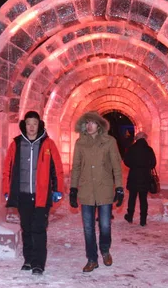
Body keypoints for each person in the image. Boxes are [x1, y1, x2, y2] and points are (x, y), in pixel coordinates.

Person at [2, 111, 64, 275]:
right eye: (28, 123)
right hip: (22, 195)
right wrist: (7, 190)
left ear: (39, 125)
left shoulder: (48, 144)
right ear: (24, 125)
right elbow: (7, 169)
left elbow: (57, 169)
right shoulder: (16, 144)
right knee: (26, 228)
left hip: (41, 196)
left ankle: (38, 263)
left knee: (39, 229)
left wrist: (58, 190)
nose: (31, 127)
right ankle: (28, 260)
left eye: (34, 123)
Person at [69, 111, 124, 273]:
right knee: (88, 228)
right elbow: (76, 167)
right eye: (87, 123)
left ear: (99, 125)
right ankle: (92, 259)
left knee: (105, 225)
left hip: (104, 189)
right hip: (86, 190)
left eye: (92, 122)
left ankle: (105, 250)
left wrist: (119, 188)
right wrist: (73, 189)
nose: (89, 125)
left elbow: (116, 167)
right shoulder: (80, 143)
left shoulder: (109, 142)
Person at [123, 132, 157, 227]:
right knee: (143, 199)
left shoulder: (131, 148)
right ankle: (143, 220)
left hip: (134, 175)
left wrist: (133, 166)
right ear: (145, 139)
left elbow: (126, 161)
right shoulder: (149, 149)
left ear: (136, 138)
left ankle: (130, 216)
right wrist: (147, 167)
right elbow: (153, 163)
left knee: (132, 197)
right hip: (145, 176)